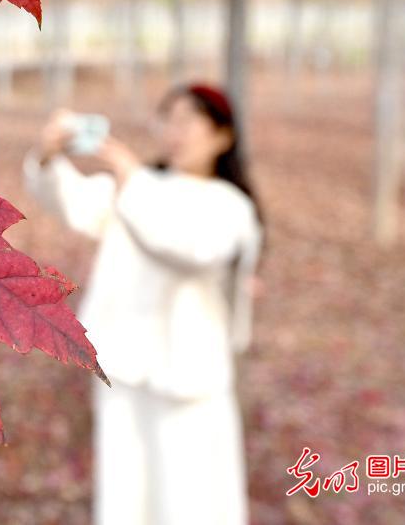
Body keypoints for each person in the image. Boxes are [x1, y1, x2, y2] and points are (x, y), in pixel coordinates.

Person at [23, 83, 264, 525]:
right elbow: (74, 202)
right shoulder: (139, 186)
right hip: (124, 364)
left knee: (191, 498)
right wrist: (47, 157)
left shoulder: (230, 206)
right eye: (168, 118)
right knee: (125, 493)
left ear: (223, 136)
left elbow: (186, 248)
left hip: (188, 374)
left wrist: (130, 178)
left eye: (189, 120)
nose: (175, 131)